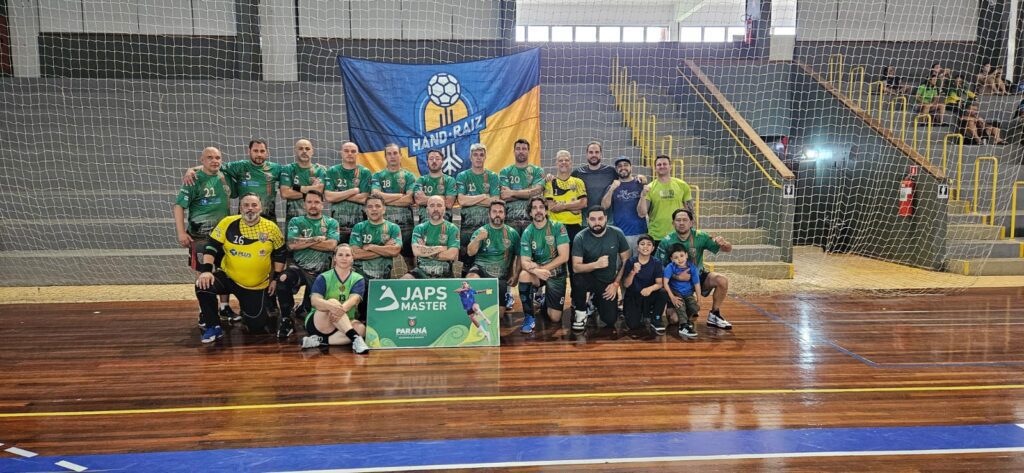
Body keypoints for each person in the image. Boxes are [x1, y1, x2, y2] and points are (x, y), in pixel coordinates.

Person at [194, 193, 286, 343]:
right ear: (240, 208)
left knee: (256, 326)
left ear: (261, 208)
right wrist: (206, 271)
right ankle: (213, 326)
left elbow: (280, 254)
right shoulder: (228, 222)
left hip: (255, 285)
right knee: (203, 285)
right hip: (229, 277)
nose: (250, 209)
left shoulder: (271, 228)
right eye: (246, 205)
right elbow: (211, 246)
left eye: (254, 205)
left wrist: (275, 278)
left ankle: (247, 310)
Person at [173, 146, 238, 325]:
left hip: (223, 236)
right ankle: (204, 312)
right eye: (209, 157)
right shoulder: (193, 179)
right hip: (201, 236)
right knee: (203, 272)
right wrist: (181, 232)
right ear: (202, 160)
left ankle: (224, 307)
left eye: (217, 157)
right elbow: (178, 206)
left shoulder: (224, 177)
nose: (214, 161)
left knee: (224, 271)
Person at [655, 209, 733, 330]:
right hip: (677, 284)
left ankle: (714, 314)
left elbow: (727, 249)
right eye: (678, 220)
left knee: (722, 280)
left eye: (685, 220)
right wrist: (676, 277)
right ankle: (687, 309)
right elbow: (658, 267)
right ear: (673, 223)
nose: (681, 223)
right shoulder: (666, 241)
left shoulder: (701, 236)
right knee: (674, 319)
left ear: (691, 222)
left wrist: (724, 243)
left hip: (697, 277)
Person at [276, 190, 339, 339]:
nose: (313, 205)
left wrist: (303, 240)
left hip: (322, 272)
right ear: (304, 204)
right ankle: (286, 319)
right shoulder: (296, 221)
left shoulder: (331, 222)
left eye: (317, 202)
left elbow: (331, 245)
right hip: (299, 268)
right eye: (309, 202)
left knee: (311, 311)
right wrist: (317, 239)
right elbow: (292, 245)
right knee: (283, 279)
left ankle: (302, 308)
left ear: (322, 204)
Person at [184, 139, 282, 222]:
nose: (259, 154)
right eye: (255, 151)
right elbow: (215, 165)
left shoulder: (276, 168)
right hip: (245, 218)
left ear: (267, 152)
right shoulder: (240, 166)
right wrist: (192, 169)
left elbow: (288, 178)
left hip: (268, 218)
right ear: (249, 151)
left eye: (262, 151)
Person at [299, 244, 370, 354]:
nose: (344, 258)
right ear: (335, 258)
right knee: (333, 302)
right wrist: (331, 307)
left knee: (362, 329)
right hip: (321, 321)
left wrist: (340, 310)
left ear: (352, 258)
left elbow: (354, 299)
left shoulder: (358, 278)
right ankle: (355, 338)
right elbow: (315, 300)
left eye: (347, 255)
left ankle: (320, 341)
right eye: (340, 255)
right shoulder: (323, 277)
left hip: (344, 322)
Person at [570, 206, 630, 332]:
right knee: (578, 278)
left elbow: (625, 260)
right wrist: (596, 264)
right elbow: (576, 267)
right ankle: (580, 314)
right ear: (587, 220)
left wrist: (615, 284)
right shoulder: (580, 237)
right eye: (593, 219)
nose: (597, 223)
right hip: (589, 279)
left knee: (610, 320)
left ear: (606, 218)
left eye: (600, 219)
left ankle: (594, 300)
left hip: (607, 283)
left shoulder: (617, 233)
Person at [517, 197, 571, 334]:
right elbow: (524, 262)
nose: (538, 211)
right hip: (538, 274)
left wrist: (541, 269)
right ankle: (529, 317)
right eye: (534, 208)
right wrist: (536, 271)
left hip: (556, 274)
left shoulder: (558, 227)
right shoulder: (527, 232)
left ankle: (545, 302)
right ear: (530, 213)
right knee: (524, 275)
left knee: (554, 318)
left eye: (541, 207)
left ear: (546, 211)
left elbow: (564, 257)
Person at [466, 200, 521, 320]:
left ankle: (505, 297)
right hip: (481, 269)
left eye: (500, 212)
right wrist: (477, 239)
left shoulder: (512, 234)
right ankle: (471, 313)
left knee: (499, 316)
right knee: (471, 278)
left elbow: (519, 256)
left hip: (500, 275)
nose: (497, 214)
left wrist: (516, 275)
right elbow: (470, 252)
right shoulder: (481, 231)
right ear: (489, 214)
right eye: (494, 211)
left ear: (505, 215)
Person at [456, 143, 501, 273]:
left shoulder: (492, 176)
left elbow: (495, 201)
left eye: (481, 155)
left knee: (486, 263)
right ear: (470, 157)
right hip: (467, 228)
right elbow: (462, 200)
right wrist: (483, 196)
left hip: (487, 228)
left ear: (485, 157)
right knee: (466, 266)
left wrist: (471, 200)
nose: (478, 157)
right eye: (475, 155)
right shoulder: (463, 176)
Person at [372, 143, 417, 272]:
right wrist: (400, 195)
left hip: (406, 227)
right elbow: (375, 196)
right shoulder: (378, 176)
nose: (392, 156)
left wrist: (384, 200)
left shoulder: (408, 176)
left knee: (411, 261)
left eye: (395, 153)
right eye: (389, 154)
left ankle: (413, 281)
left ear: (401, 156)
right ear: (385, 157)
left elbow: (409, 199)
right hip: (384, 227)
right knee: (382, 260)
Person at [325, 141, 372, 246]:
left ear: (357, 154)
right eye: (346, 151)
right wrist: (353, 191)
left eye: (353, 151)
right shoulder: (332, 171)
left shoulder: (365, 172)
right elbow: (328, 197)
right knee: (338, 252)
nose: (350, 153)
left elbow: (364, 198)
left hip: (360, 222)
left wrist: (339, 194)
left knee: (358, 251)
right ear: (341, 153)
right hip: (337, 223)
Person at [402, 195, 460, 279]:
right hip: (421, 271)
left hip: (444, 272)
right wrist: (440, 248)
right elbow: (416, 251)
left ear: (444, 209)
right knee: (405, 279)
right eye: (432, 205)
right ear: (427, 209)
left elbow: (451, 255)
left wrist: (425, 250)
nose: (435, 209)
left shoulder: (452, 228)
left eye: (439, 205)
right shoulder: (419, 228)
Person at [601, 157, 648, 255]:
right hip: (620, 234)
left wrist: (643, 180)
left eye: (626, 165)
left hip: (641, 233)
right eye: (620, 166)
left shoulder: (640, 183)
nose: (623, 168)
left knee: (640, 263)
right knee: (622, 264)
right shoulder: (612, 186)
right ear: (616, 169)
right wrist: (612, 189)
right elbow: (604, 206)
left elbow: (644, 211)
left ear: (631, 167)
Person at [621, 234, 667, 334]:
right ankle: (640, 313)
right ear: (637, 247)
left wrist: (650, 289)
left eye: (649, 244)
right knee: (633, 325)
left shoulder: (657, 263)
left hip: (649, 295)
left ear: (653, 248)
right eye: (642, 244)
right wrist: (633, 272)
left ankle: (656, 319)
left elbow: (659, 284)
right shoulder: (631, 262)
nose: (645, 246)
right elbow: (626, 285)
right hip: (634, 296)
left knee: (663, 292)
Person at [349, 195, 402, 280]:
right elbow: (355, 253)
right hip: (360, 275)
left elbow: (395, 251)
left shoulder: (393, 227)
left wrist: (371, 247)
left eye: (377, 206)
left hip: (384, 275)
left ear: (384, 209)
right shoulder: (358, 227)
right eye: (370, 206)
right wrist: (385, 248)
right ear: (365, 210)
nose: (374, 209)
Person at [499, 138, 545, 234]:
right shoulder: (505, 171)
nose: (521, 151)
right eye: (518, 149)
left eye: (524, 149)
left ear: (528, 151)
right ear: (514, 151)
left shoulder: (537, 171)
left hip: (532, 220)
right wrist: (528, 193)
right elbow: (504, 196)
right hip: (510, 220)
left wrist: (512, 192)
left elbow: (536, 193)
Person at [544, 150, 588, 250]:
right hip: (555, 226)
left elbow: (583, 203)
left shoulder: (578, 182)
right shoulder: (550, 182)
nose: (564, 162)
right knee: (556, 256)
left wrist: (563, 206)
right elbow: (552, 207)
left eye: (566, 160)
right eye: (560, 160)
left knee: (574, 257)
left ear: (571, 163)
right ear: (556, 163)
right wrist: (574, 206)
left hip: (575, 226)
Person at [278, 139, 327, 226]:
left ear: (312, 151)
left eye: (307, 149)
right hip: (293, 220)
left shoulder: (320, 170)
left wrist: (295, 188)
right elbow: (285, 193)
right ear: (295, 151)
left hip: (315, 221)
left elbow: (319, 190)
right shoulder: (288, 169)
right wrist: (312, 190)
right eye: (301, 148)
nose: (304, 151)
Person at [644, 155, 693, 241]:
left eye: (665, 164)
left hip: (678, 234)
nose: (662, 166)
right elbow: (644, 212)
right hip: (656, 235)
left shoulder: (682, 185)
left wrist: (692, 231)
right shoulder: (649, 188)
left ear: (670, 167)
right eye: (659, 164)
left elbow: (690, 211)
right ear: (655, 168)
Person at [572, 141, 618, 224]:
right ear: (586, 154)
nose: (594, 155)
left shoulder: (611, 171)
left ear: (601, 154)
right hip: (585, 222)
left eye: (597, 152)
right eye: (591, 152)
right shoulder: (577, 173)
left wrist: (639, 177)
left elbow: (626, 179)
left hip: (606, 222)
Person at [662, 243, 701, 339]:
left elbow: (697, 284)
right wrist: (672, 297)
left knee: (695, 308)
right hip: (676, 292)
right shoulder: (670, 267)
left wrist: (699, 300)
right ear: (671, 259)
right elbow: (665, 283)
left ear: (686, 255)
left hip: (688, 294)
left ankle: (686, 320)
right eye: (676, 257)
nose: (680, 259)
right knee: (680, 305)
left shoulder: (692, 267)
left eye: (682, 255)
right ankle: (683, 326)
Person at [413, 149, 457, 223]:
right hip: (424, 223)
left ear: (442, 161)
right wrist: (443, 198)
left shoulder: (450, 180)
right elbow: (419, 200)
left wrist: (425, 198)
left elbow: (449, 203)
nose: (434, 161)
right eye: (431, 159)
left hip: (444, 223)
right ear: (427, 162)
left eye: (437, 158)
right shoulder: (421, 180)